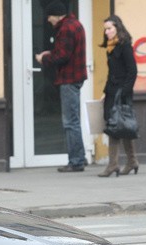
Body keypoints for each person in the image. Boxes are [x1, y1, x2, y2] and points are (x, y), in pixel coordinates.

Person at [36, 1, 88, 173]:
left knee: (70, 122)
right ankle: (79, 157)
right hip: (75, 78)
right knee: (73, 120)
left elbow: (62, 56)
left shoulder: (65, 29)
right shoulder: (76, 24)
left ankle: (76, 161)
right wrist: (50, 54)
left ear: (57, 15)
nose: (49, 20)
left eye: (50, 17)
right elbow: (66, 52)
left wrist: (44, 58)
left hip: (69, 79)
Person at [98, 15, 139, 177]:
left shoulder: (124, 45)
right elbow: (112, 72)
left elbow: (132, 71)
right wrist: (105, 91)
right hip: (112, 91)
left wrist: (125, 92)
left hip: (122, 92)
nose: (107, 32)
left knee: (115, 126)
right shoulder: (110, 47)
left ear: (117, 28)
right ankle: (132, 161)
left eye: (110, 28)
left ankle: (113, 164)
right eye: (105, 29)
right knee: (122, 126)